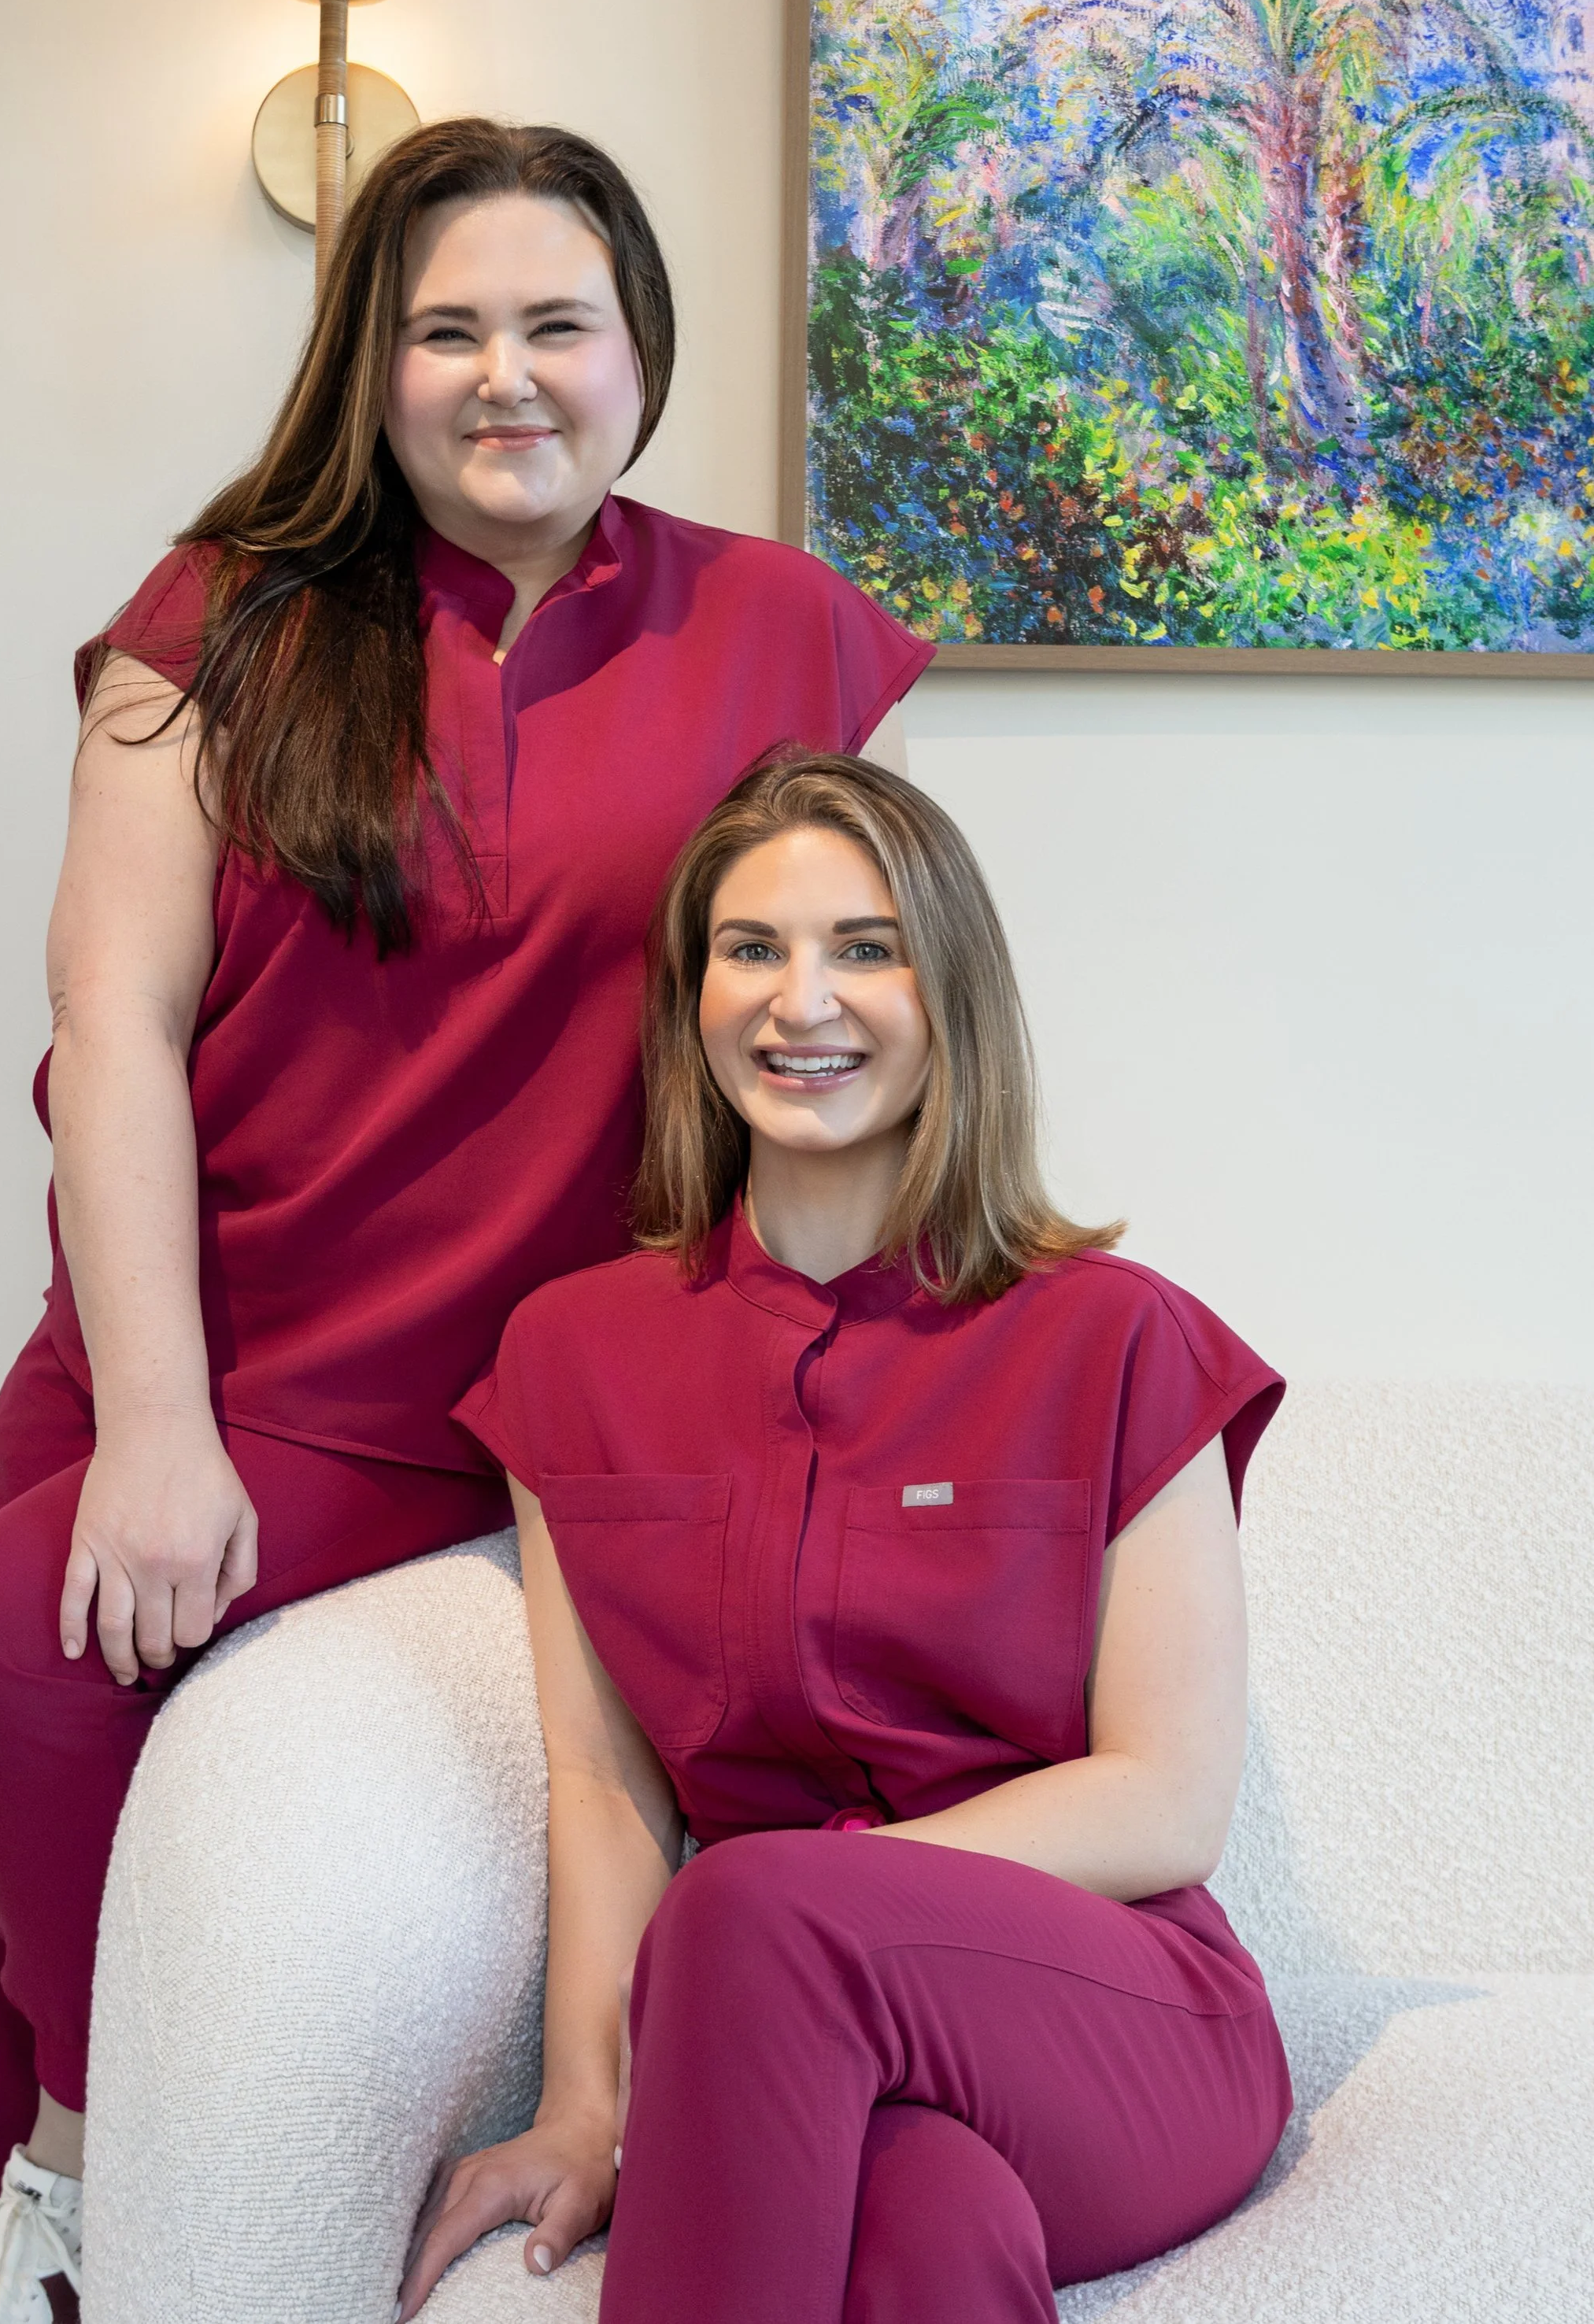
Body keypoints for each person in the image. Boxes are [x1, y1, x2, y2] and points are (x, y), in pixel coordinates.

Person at [0, 122, 932, 2324]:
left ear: (641, 356)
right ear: (371, 358)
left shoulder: (780, 632)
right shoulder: (218, 617)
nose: (502, 375)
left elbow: (849, 999)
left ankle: (73, 2180)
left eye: (554, 325)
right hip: (205, 1343)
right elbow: (112, 1018)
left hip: (511, 1380)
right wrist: (156, 1427)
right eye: (446, 328)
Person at [407, 753, 1291, 2324]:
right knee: (924, 2240)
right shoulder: (568, 1357)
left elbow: (1164, 1798)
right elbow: (605, 1784)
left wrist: (803, 1903)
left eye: (862, 946)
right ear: (690, 994)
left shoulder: (1116, 1338)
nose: (796, 997)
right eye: (748, 947)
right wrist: (582, 2102)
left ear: (946, 991)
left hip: (1116, 2021)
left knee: (748, 1899)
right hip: (781, 2031)